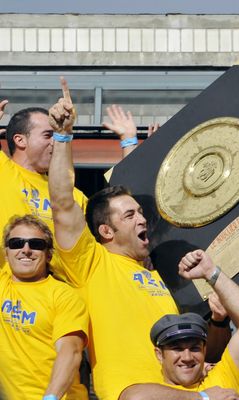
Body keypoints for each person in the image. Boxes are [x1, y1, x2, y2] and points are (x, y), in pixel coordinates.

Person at [47, 78, 179, 400]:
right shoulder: (91, 263)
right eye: (130, 215)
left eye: (140, 213)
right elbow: (63, 203)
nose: (142, 218)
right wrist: (64, 137)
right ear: (106, 231)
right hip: (126, 393)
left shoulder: (155, 269)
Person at [120, 250, 239, 399]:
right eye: (177, 349)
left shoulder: (222, 381)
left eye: (195, 348)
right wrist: (203, 397)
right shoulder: (154, 392)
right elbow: (133, 397)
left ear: (204, 349)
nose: (187, 357)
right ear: (159, 355)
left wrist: (210, 272)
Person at [0, 215, 88, 400]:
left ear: (48, 254)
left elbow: (70, 350)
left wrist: (51, 397)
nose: (26, 250)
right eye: (16, 243)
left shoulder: (64, 295)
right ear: (6, 253)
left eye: (36, 244)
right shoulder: (3, 283)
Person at [0, 94, 87, 268]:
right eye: (48, 135)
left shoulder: (76, 198)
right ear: (20, 140)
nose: (55, 143)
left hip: (57, 289)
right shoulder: (3, 170)